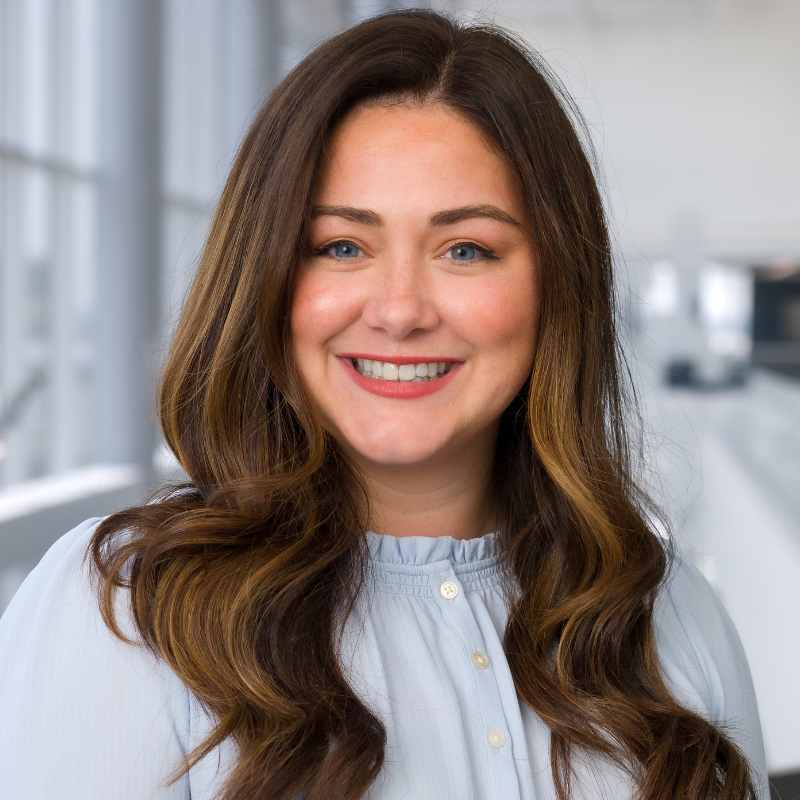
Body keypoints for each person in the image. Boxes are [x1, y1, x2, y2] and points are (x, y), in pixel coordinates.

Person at [0, 8, 770, 800]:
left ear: (555, 287)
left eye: (465, 249)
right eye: (342, 247)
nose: (400, 310)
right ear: (265, 280)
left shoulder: (666, 611)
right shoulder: (124, 615)